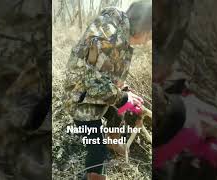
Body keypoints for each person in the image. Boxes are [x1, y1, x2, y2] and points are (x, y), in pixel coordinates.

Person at [63, 1, 152, 179]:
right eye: (150, 35)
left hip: (95, 93)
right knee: (97, 147)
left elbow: (108, 75)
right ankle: (94, 176)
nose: (149, 40)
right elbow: (93, 83)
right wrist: (123, 98)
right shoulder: (109, 36)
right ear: (143, 27)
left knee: (121, 107)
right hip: (80, 100)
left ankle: (113, 141)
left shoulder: (122, 34)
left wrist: (127, 94)